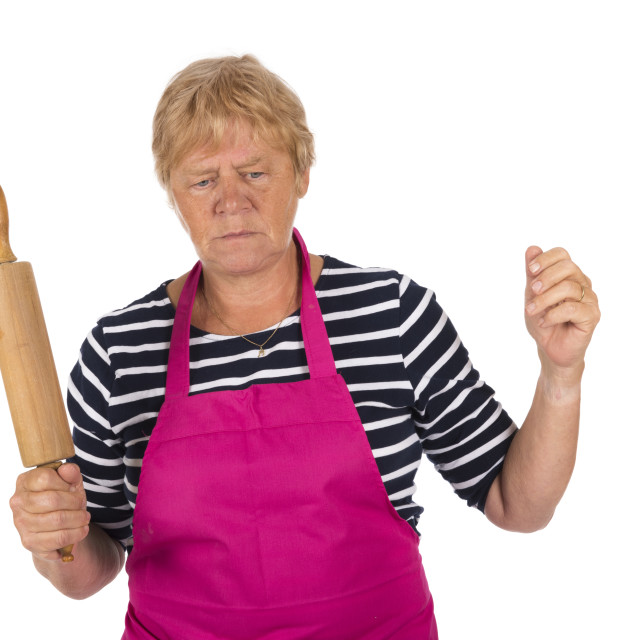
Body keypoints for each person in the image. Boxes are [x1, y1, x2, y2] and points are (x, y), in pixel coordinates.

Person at [9, 55, 600, 639]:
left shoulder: (391, 314)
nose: (230, 199)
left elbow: (517, 506)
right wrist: (51, 537)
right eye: (202, 178)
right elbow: (90, 569)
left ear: (302, 173)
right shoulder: (120, 351)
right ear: (174, 193)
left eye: (256, 172)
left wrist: (560, 374)